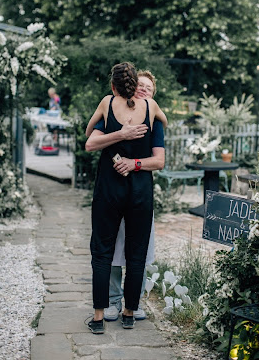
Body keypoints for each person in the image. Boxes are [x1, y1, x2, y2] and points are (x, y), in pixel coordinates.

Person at [85, 62, 164, 334]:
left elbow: (89, 136)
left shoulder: (107, 104)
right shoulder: (151, 108)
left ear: (113, 85)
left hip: (109, 187)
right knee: (137, 251)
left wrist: (116, 134)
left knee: (102, 251)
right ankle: (129, 313)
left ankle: (98, 316)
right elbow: (164, 120)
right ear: (135, 85)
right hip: (140, 191)